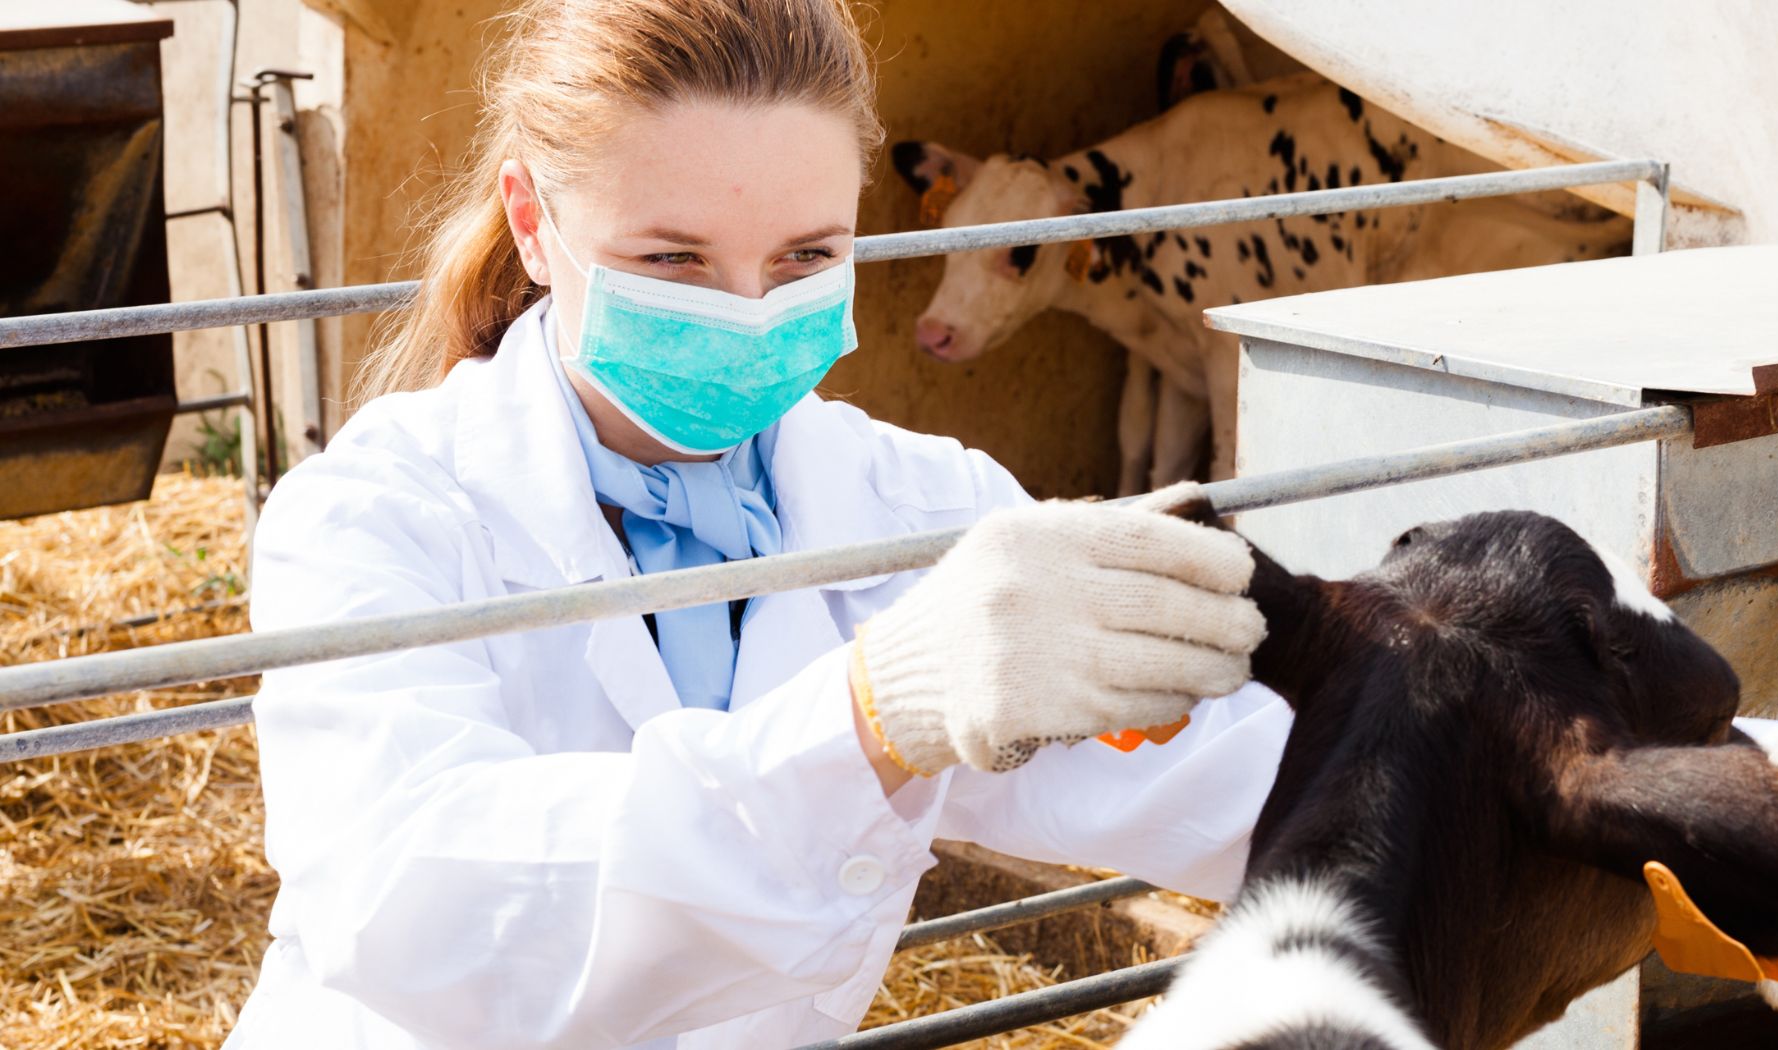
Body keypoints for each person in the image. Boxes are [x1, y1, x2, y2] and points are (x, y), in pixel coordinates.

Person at [223, 1, 1286, 1046]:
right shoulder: (371, 516)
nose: (745, 310)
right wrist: (871, 716)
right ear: (534, 222)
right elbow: (434, 928)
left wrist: (1397, 684)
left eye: (804, 258)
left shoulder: (922, 508)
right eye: (674, 261)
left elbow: (1228, 774)